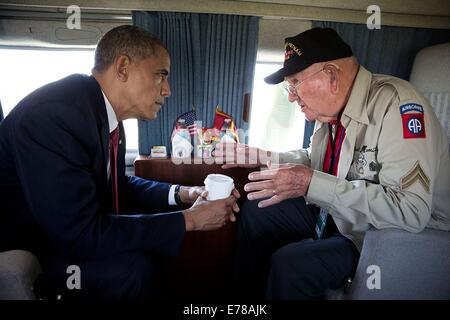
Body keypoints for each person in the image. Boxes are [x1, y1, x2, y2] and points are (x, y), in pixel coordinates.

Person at [0, 25, 240, 300]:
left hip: (66, 232)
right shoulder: (55, 116)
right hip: (37, 246)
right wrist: (191, 220)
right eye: (160, 75)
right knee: (133, 271)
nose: (168, 90)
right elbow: (79, 235)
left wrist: (185, 194)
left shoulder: (104, 117)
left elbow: (118, 183)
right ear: (123, 67)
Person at [215, 27, 450, 299]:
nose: (291, 96)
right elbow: (321, 160)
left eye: (294, 83)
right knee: (257, 211)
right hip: (343, 214)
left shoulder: (397, 107)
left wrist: (309, 183)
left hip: (387, 233)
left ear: (331, 77)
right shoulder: (332, 110)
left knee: (291, 265)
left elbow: (410, 210)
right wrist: (265, 156)